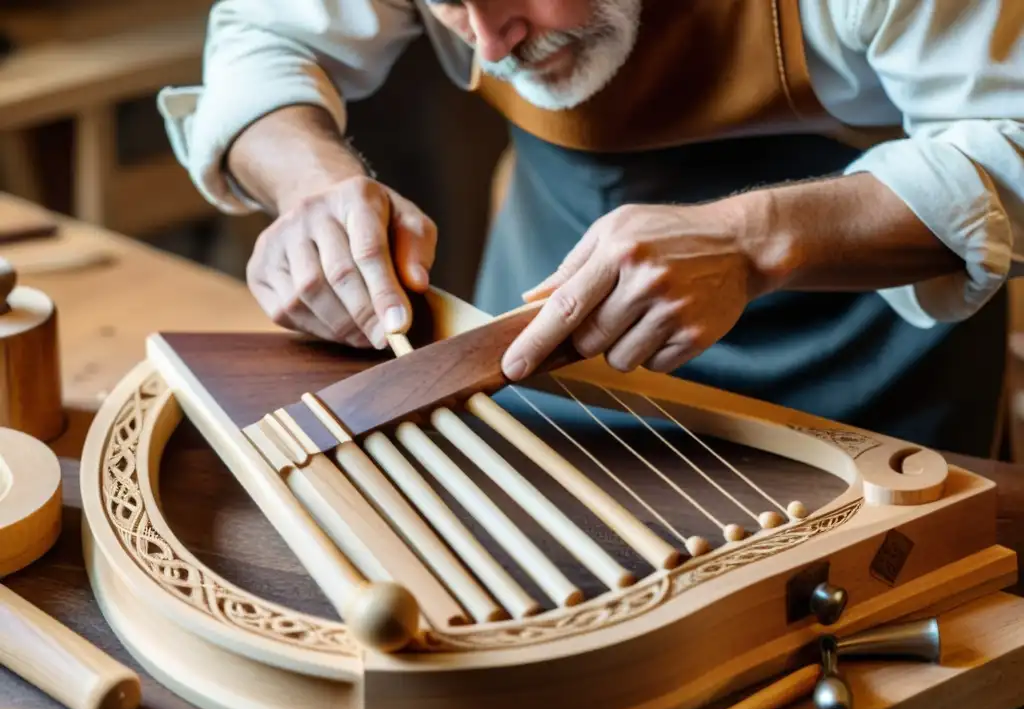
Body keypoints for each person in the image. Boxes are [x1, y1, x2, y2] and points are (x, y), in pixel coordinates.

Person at [158, 0, 1024, 457]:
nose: (489, 46)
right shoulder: (492, 22)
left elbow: (1013, 139)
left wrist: (754, 237)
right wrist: (313, 185)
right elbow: (265, 35)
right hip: (541, 341)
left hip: (872, 372)